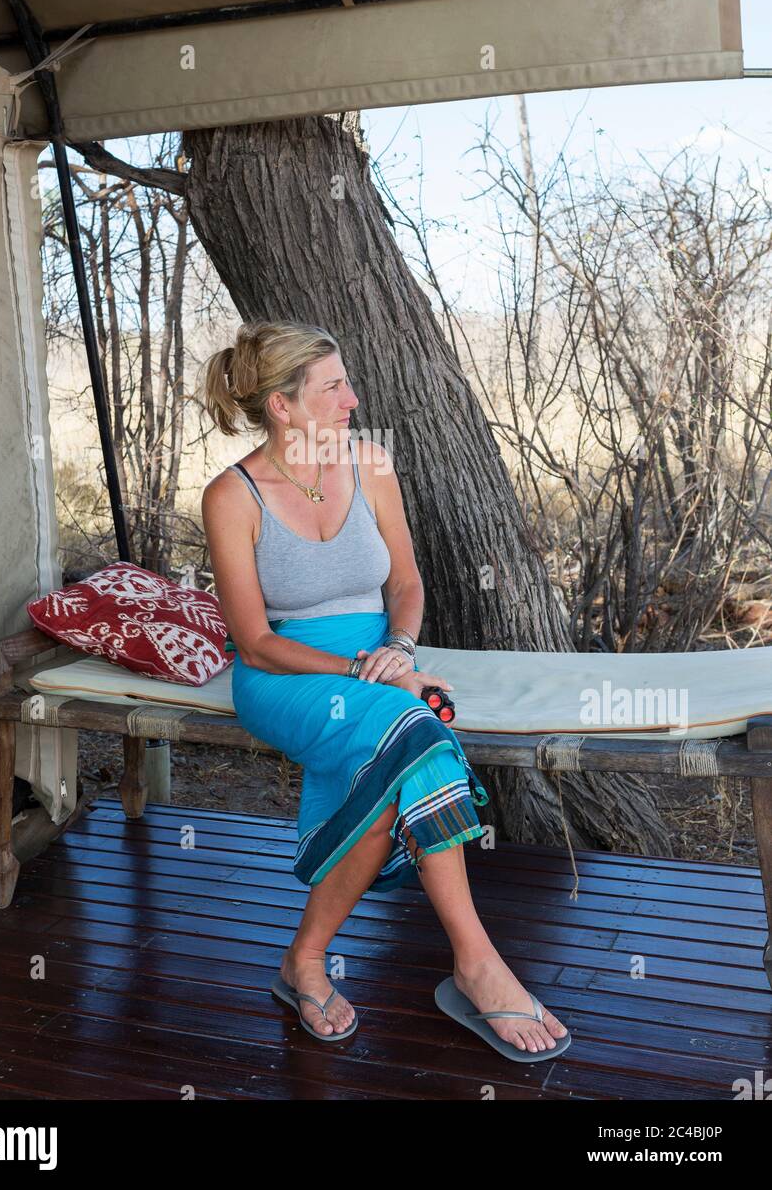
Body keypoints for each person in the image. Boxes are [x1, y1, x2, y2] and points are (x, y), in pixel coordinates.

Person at [199, 319, 569, 1055]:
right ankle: (476, 964)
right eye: (334, 386)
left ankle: (305, 960)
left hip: (382, 662)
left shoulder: (370, 464)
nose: (353, 398)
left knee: (398, 763)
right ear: (283, 404)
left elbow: (405, 582)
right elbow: (256, 642)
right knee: (415, 734)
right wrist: (361, 672)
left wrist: (398, 648)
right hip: (285, 678)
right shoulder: (232, 496)